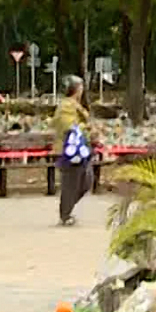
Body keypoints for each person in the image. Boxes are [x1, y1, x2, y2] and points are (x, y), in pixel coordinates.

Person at [52, 75, 93, 226]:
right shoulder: (66, 106)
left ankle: (67, 209)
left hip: (82, 150)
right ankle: (65, 214)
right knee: (71, 182)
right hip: (70, 151)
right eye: (81, 86)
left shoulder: (76, 105)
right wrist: (85, 127)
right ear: (76, 89)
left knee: (87, 181)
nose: (82, 90)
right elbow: (68, 126)